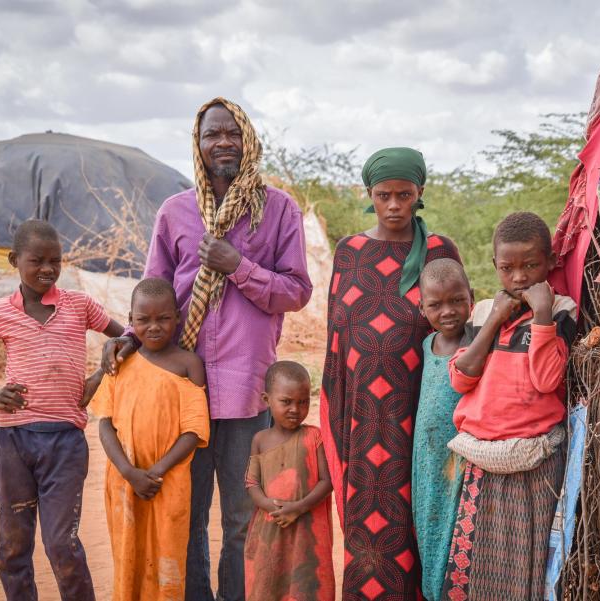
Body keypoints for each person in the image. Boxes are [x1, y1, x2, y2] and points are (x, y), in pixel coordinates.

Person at [101, 98, 312, 601]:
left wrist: (238, 264)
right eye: (211, 134)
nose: (222, 143)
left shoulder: (278, 209)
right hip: (180, 391)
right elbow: (155, 291)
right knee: (186, 516)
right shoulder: (174, 212)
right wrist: (127, 338)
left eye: (231, 133)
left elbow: (296, 291)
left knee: (241, 518)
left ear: (248, 139)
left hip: (245, 393)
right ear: (197, 145)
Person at [0, 219, 125, 601]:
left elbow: (128, 336)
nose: (48, 269)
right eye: (37, 261)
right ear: (15, 260)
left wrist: (100, 373)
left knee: (61, 544)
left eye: (56, 260)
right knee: (13, 547)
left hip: (65, 442)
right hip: (13, 439)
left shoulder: (79, 305)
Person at [320, 147, 461, 600]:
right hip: (362, 420)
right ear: (370, 196)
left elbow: (456, 323)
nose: (395, 205)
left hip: (418, 418)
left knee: (420, 522)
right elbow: (335, 341)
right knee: (367, 531)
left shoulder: (439, 250)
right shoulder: (349, 253)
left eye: (405, 194)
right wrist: (336, 415)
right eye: (384, 195)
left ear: (420, 193)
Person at [443, 212, 576, 601]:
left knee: (526, 566)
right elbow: (461, 376)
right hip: (481, 456)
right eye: (507, 268)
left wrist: (541, 314)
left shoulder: (561, 308)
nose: (519, 277)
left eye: (530, 265)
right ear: (495, 267)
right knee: (477, 567)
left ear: (550, 262)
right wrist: (496, 317)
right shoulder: (484, 312)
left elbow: (547, 379)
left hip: (532, 459)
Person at [91, 278, 211, 601]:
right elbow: (105, 425)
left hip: (168, 482)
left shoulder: (189, 366)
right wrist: (131, 473)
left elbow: (194, 430)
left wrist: (155, 472)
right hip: (124, 481)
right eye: (144, 320)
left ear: (177, 319)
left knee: (167, 553)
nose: (154, 327)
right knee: (128, 550)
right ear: (130, 321)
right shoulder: (121, 362)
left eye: (163, 318)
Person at [244, 361, 334, 601]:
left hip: (307, 530)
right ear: (266, 399)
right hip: (270, 527)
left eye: (303, 402)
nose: (295, 409)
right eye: (286, 401)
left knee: (306, 584)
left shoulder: (314, 436)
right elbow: (252, 483)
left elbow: (327, 481)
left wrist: (297, 507)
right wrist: (271, 507)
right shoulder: (260, 440)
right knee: (268, 582)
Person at [411, 258, 472, 601]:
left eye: (456, 300)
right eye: (436, 304)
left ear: (471, 298)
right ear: (422, 308)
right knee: (428, 529)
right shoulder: (427, 344)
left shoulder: (476, 345)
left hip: (459, 463)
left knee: (455, 536)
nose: (447, 311)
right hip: (426, 460)